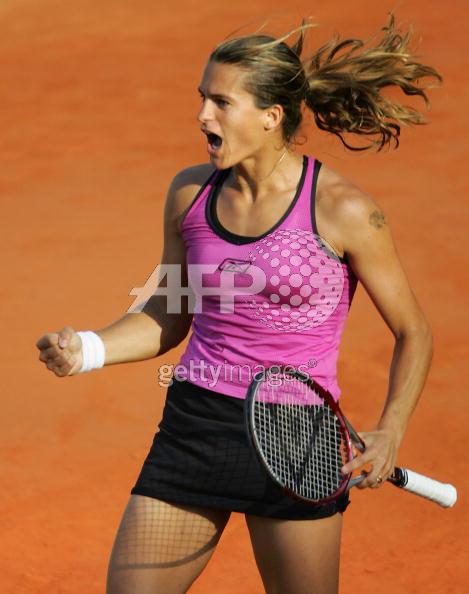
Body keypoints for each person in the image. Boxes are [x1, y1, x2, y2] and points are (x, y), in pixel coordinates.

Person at [36, 15, 439, 594]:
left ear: (271, 117)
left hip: (300, 437)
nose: (203, 115)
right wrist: (88, 350)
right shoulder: (190, 195)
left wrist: (392, 428)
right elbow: (167, 315)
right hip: (197, 425)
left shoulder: (344, 210)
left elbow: (414, 331)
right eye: (203, 99)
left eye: (221, 102)